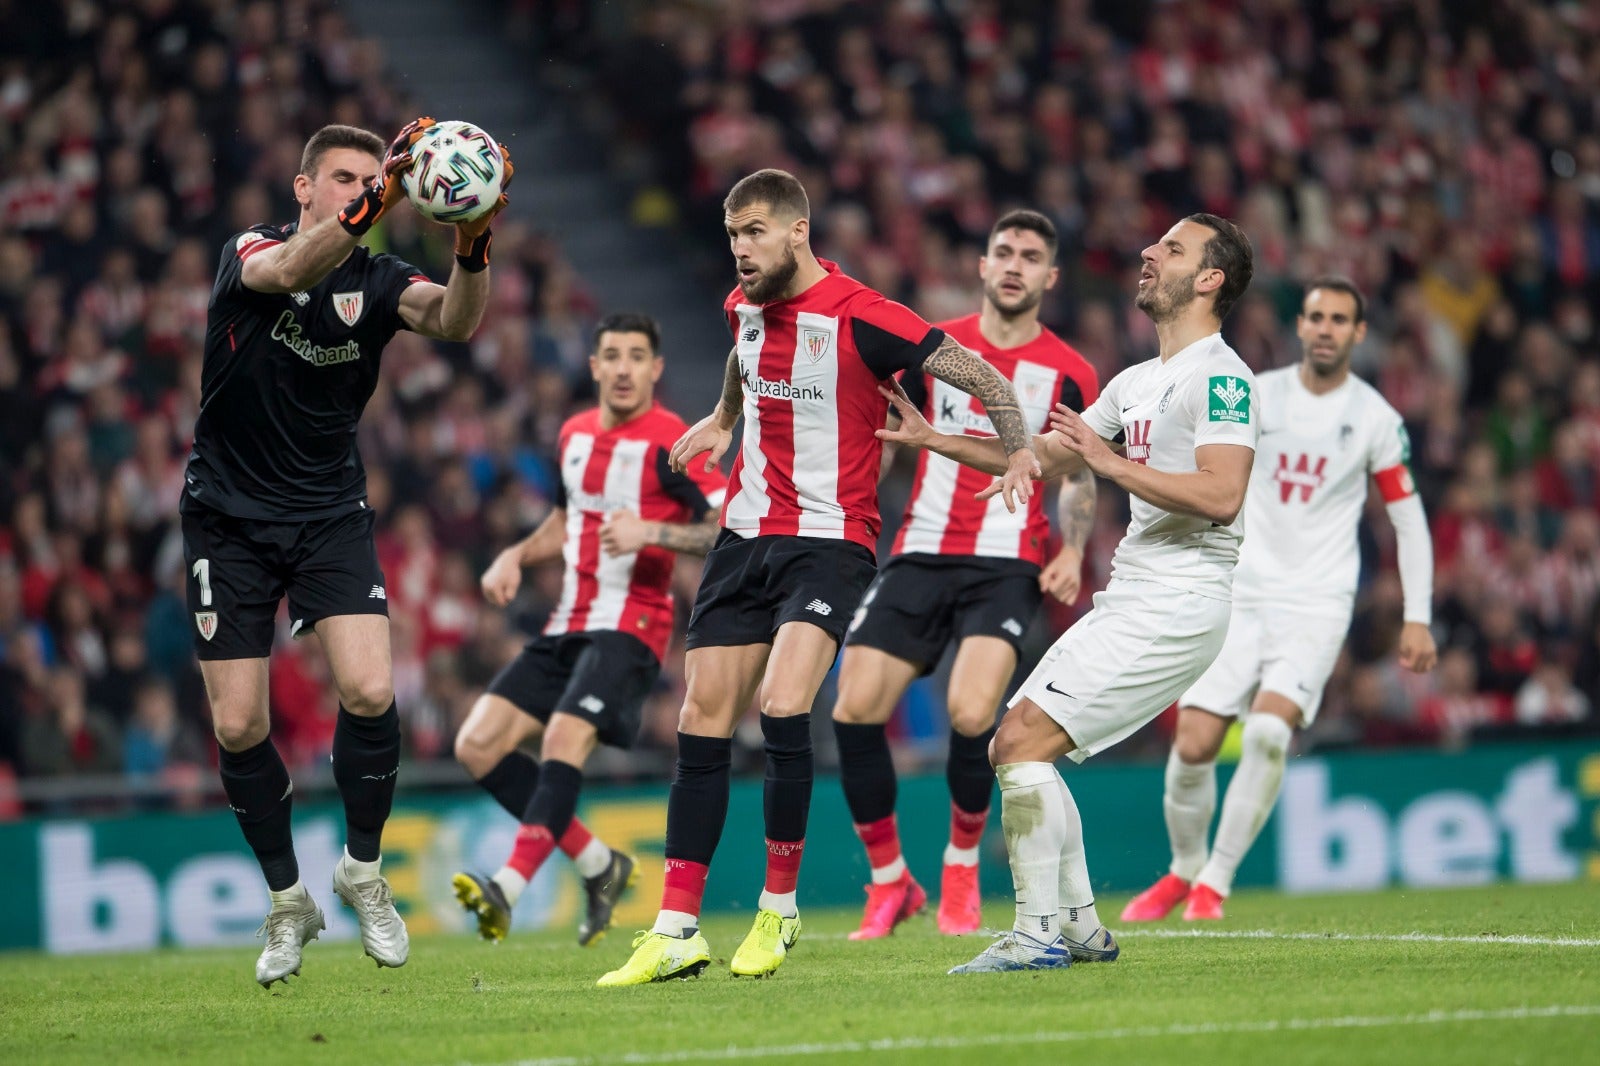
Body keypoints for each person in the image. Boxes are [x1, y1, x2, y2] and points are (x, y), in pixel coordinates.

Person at [598, 168, 1040, 986]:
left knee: (784, 703)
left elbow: (984, 377)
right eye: (734, 235)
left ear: (798, 232)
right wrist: (723, 420)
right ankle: (675, 929)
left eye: (756, 231)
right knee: (700, 716)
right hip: (743, 537)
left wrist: (1017, 448)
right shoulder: (743, 309)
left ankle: (777, 910)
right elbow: (741, 358)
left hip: (830, 541)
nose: (741, 249)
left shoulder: (866, 315)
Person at [880, 213, 1257, 973]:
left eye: (1173, 249)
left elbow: (1222, 494)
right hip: (1135, 595)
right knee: (1019, 745)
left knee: (1018, 744)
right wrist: (937, 441)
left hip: (1183, 599)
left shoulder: (1222, 377)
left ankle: (1037, 931)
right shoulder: (1137, 381)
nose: (1149, 253)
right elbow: (1041, 457)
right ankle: (1079, 927)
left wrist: (1109, 465)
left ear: (1210, 280)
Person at [181, 118, 510, 987]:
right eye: (343, 179)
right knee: (239, 723)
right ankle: (289, 902)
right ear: (305, 189)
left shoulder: (380, 274)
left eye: (371, 178)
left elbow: (455, 321)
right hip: (227, 517)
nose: (359, 192)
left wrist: (473, 246)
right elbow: (290, 271)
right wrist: (386, 197)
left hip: (328, 509)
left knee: (369, 688)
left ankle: (362, 871)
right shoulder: (250, 249)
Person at [1121, 277, 1437, 923]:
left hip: (1316, 604)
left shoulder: (1376, 417)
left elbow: (1407, 518)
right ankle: (1182, 870)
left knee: (1267, 731)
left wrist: (1418, 616)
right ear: (1300, 326)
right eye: (1315, 316)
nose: (1324, 328)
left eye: (1339, 319)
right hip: (1237, 591)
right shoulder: (1255, 394)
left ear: (1358, 333)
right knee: (1194, 744)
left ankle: (1215, 882)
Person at [832, 209, 1101, 940]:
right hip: (921, 551)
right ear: (982, 266)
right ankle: (890, 881)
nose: (1014, 264)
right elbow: (889, 429)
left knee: (971, 711)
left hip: (1008, 561)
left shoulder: (1072, 372)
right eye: (1003, 251)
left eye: (1031, 256)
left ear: (1050, 277)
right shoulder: (935, 347)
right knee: (853, 706)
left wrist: (1072, 548)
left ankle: (959, 867)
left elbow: (1076, 474)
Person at [451, 312, 725, 946]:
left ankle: (508, 887)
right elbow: (564, 525)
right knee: (477, 745)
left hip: (633, 626)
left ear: (656, 369)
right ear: (595, 365)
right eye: (612, 355)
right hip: (567, 621)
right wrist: (515, 556)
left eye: (637, 356)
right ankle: (601, 866)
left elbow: (722, 527)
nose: (624, 367)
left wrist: (651, 531)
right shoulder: (573, 434)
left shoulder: (674, 442)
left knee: (563, 740)